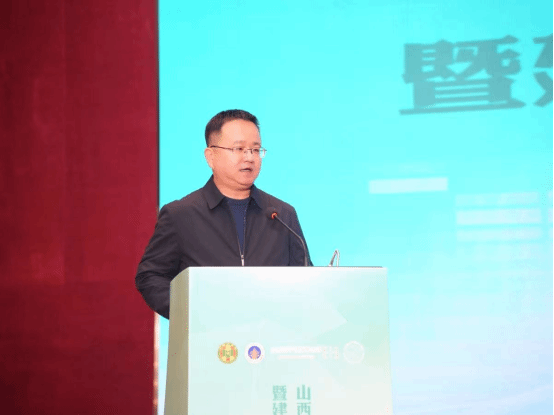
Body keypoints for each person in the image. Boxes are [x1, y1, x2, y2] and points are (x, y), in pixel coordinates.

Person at [135, 109, 312, 319]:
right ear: (211, 156)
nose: (249, 157)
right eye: (239, 148)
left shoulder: (282, 215)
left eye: (256, 150)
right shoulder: (181, 215)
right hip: (207, 334)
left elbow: (307, 281)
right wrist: (190, 312)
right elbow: (151, 276)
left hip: (271, 332)